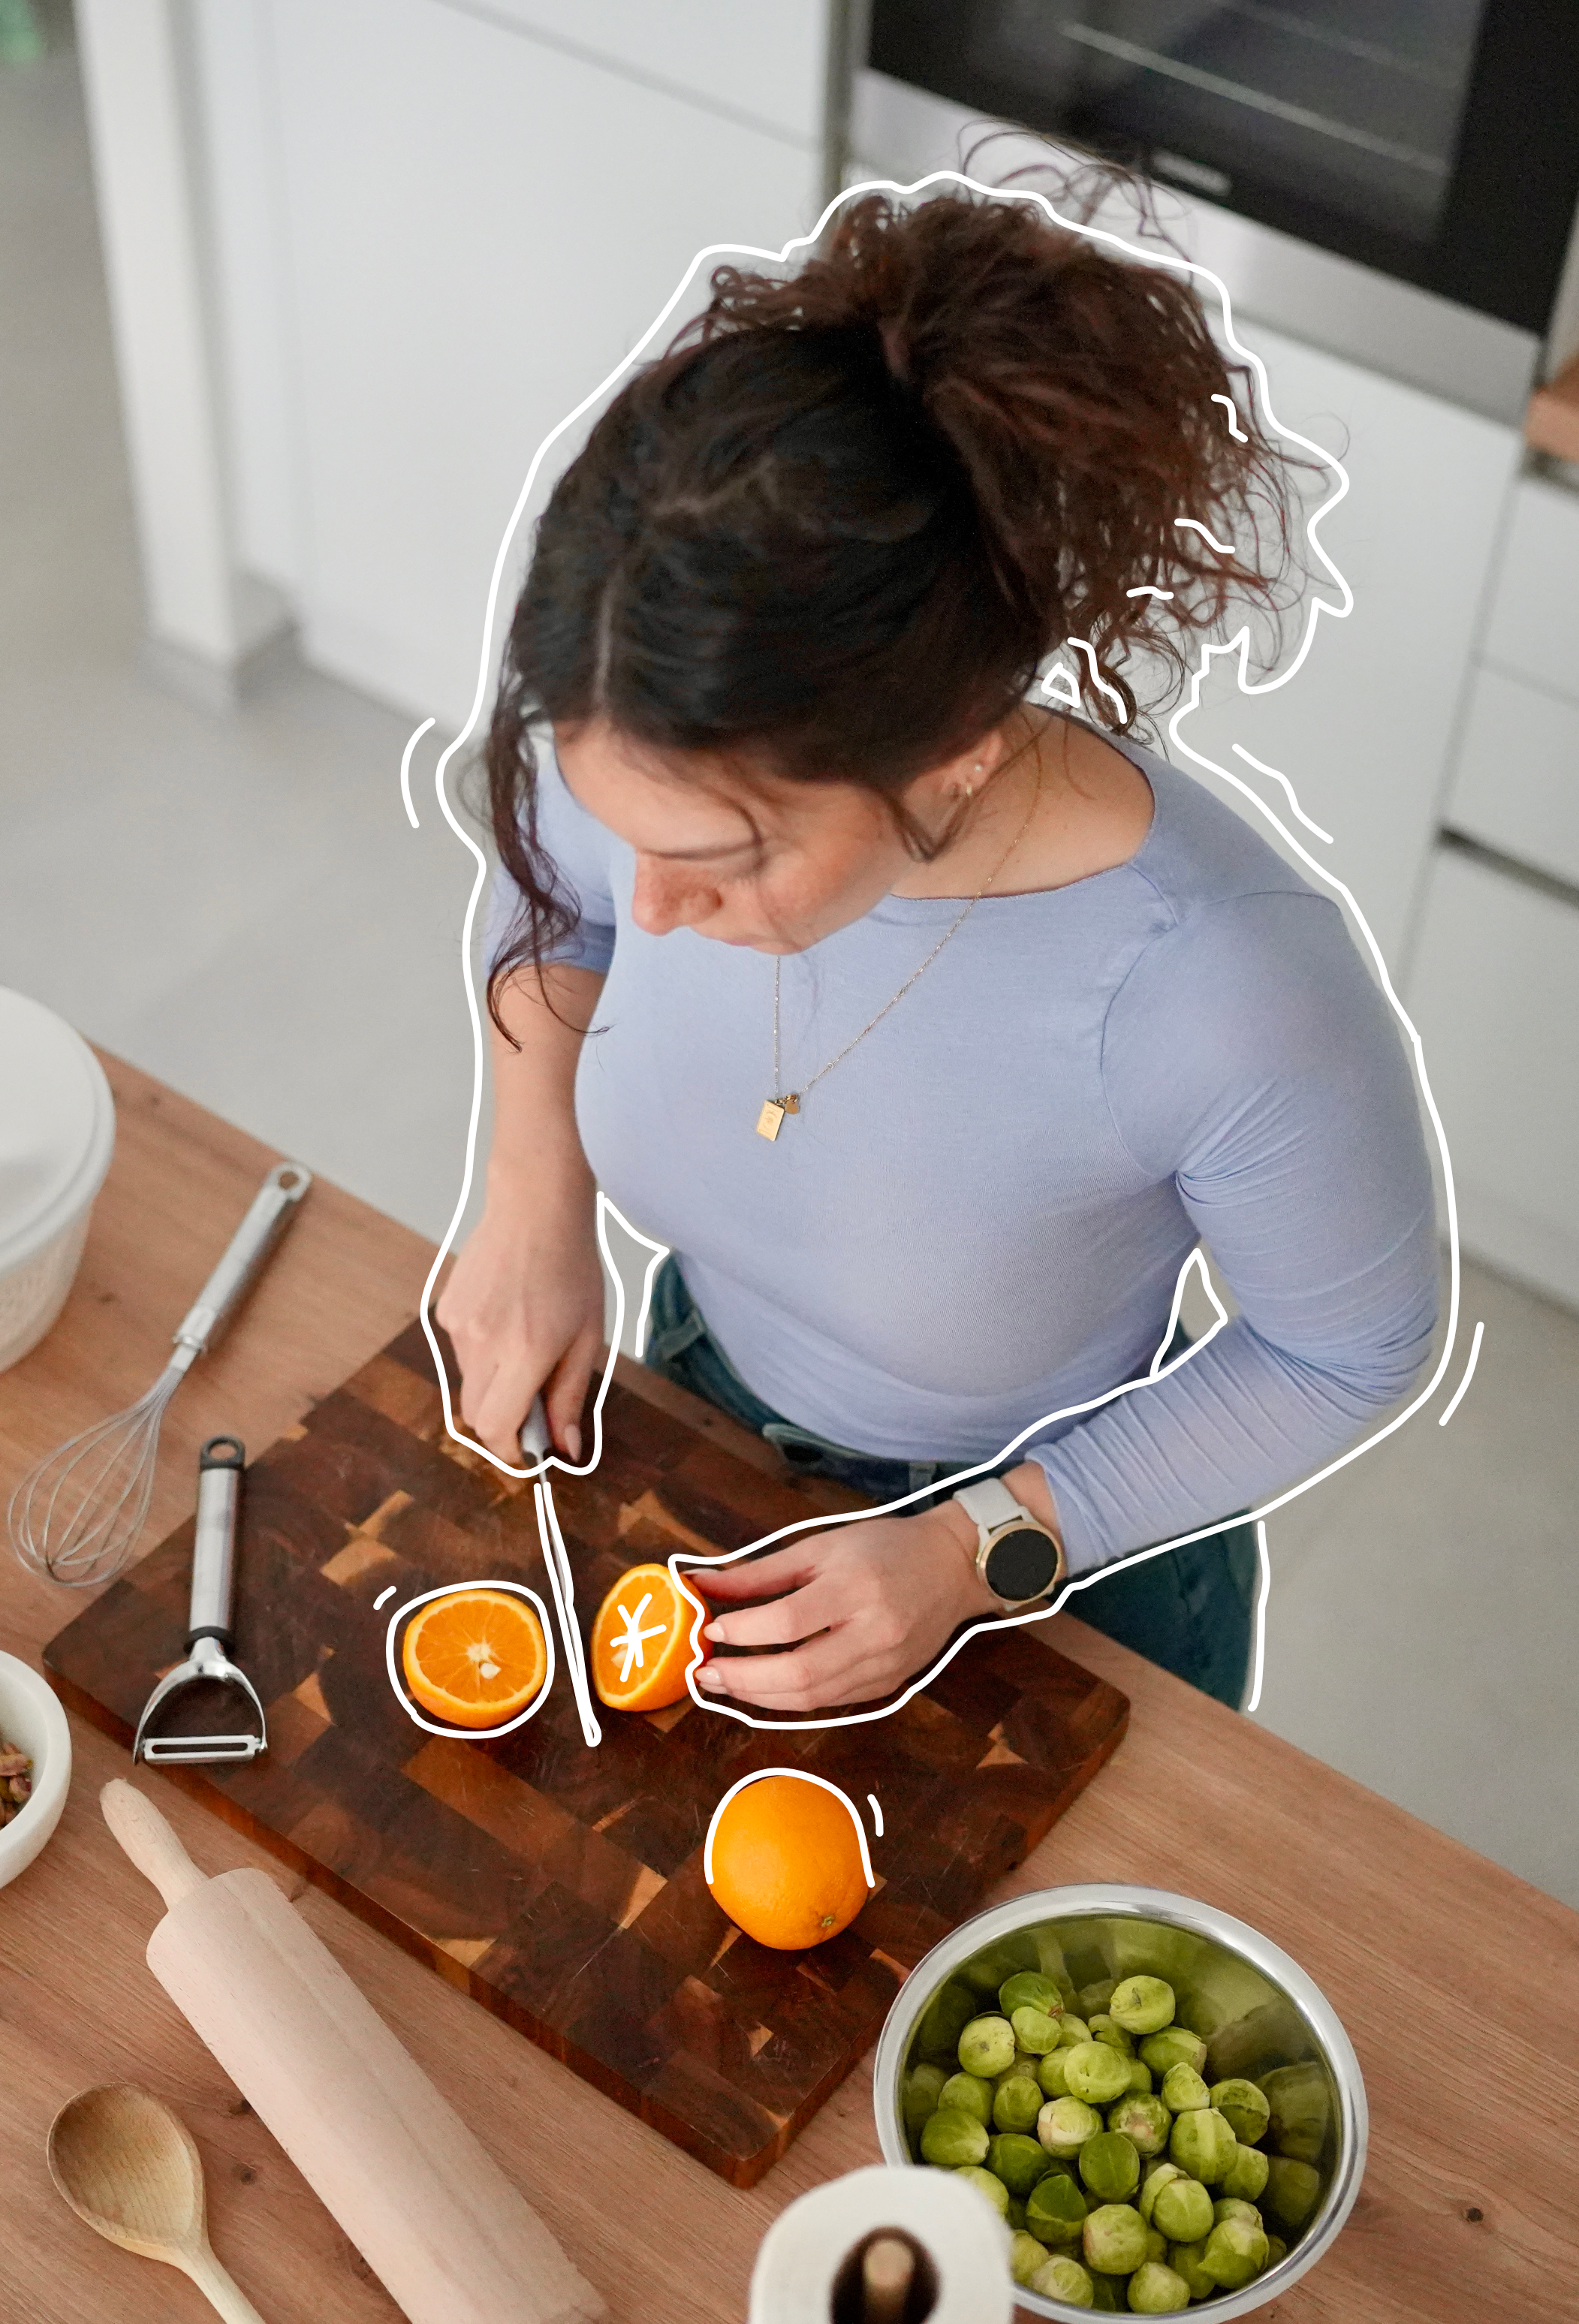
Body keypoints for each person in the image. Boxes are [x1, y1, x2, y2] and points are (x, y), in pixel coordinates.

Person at [437, 185, 1437, 1717]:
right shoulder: (641, 706)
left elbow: (1345, 1350)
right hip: (703, 1399)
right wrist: (528, 1193)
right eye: (611, 812)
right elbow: (554, 903)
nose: (646, 910)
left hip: (1064, 1547)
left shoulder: (1221, 986)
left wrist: (978, 1547)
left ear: (955, 758)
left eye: (722, 859)